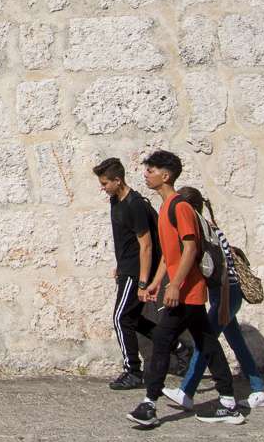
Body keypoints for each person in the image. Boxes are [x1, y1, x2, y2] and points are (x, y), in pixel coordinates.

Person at [127, 150, 242, 427]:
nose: (146, 174)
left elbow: (190, 248)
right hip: (184, 291)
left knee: (163, 342)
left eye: (151, 170)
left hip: (187, 292)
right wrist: (156, 282)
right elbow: (169, 254)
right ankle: (228, 403)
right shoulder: (166, 208)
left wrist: (176, 285)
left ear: (166, 176)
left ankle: (149, 405)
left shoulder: (180, 207)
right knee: (208, 344)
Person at [162, 186, 264, 412]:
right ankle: (259, 389)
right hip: (223, 295)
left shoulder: (207, 231)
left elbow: (221, 268)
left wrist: (220, 304)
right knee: (237, 343)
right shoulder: (207, 228)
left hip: (225, 293)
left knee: (205, 343)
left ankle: (186, 391)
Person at [94, 157, 161, 389]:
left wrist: (143, 282)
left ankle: (133, 370)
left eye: (105, 183)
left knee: (121, 318)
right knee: (132, 319)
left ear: (117, 180)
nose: (102, 188)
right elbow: (125, 240)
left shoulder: (134, 204)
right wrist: (119, 265)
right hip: (126, 269)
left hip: (136, 272)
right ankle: (177, 347)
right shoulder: (116, 201)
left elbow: (146, 245)